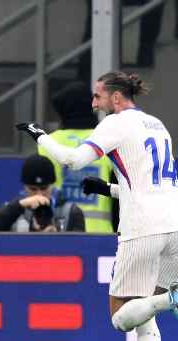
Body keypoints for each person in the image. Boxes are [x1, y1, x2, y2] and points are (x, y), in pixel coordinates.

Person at [16, 71, 178, 341]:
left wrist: (39, 135)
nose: (93, 103)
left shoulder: (115, 123)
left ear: (115, 97)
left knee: (121, 317)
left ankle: (169, 299)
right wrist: (108, 189)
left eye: (98, 96)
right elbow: (148, 182)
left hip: (143, 227)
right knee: (144, 313)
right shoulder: (157, 124)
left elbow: (71, 160)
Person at [39, 82, 115, 233]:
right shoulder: (107, 140)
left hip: (62, 234)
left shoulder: (47, 143)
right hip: (102, 235)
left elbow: (39, 195)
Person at [0, 154, 85, 232]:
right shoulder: (13, 210)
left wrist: (57, 239)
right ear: (24, 187)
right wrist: (18, 206)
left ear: (52, 185)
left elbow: (81, 250)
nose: (39, 194)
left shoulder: (71, 213)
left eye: (44, 188)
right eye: (33, 189)